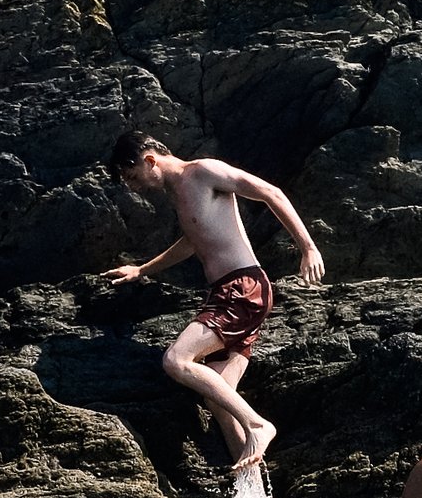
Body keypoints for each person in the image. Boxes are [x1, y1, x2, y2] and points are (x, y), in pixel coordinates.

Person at [104, 131, 325, 474]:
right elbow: (191, 243)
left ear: (150, 161)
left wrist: (308, 247)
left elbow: (270, 192)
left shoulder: (202, 171)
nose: (135, 187)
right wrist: (141, 269)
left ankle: (258, 425)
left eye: (133, 177)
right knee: (217, 396)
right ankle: (252, 491)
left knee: (176, 361)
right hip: (231, 291)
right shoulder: (180, 194)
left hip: (242, 288)